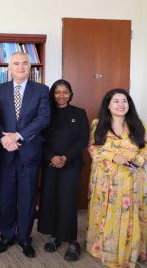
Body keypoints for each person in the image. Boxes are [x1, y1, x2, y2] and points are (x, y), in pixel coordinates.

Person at [0, 51, 50, 258]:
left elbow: (43, 118)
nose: (20, 67)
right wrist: (4, 139)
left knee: (27, 199)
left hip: (29, 154)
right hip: (6, 153)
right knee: (5, 198)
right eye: (16, 63)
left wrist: (18, 136)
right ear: (9, 67)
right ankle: (6, 236)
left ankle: (25, 238)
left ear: (30, 67)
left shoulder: (42, 90)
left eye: (25, 63)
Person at [87, 88, 147, 267]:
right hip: (106, 179)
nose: (121, 105)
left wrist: (138, 159)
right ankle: (105, 250)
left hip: (133, 179)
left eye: (124, 101)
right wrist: (113, 156)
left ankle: (130, 252)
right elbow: (93, 148)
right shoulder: (97, 124)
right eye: (116, 101)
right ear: (108, 105)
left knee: (130, 215)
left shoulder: (139, 124)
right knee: (106, 213)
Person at [37, 79, 89, 261]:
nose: (61, 95)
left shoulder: (79, 113)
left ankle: (72, 241)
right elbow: (40, 139)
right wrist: (52, 157)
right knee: (50, 198)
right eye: (57, 92)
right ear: (52, 94)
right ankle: (54, 236)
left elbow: (83, 139)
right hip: (50, 163)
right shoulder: (46, 114)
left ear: (71, 94)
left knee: (67, 200)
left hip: (71, 163)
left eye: (65, 92)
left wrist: (65, 157)